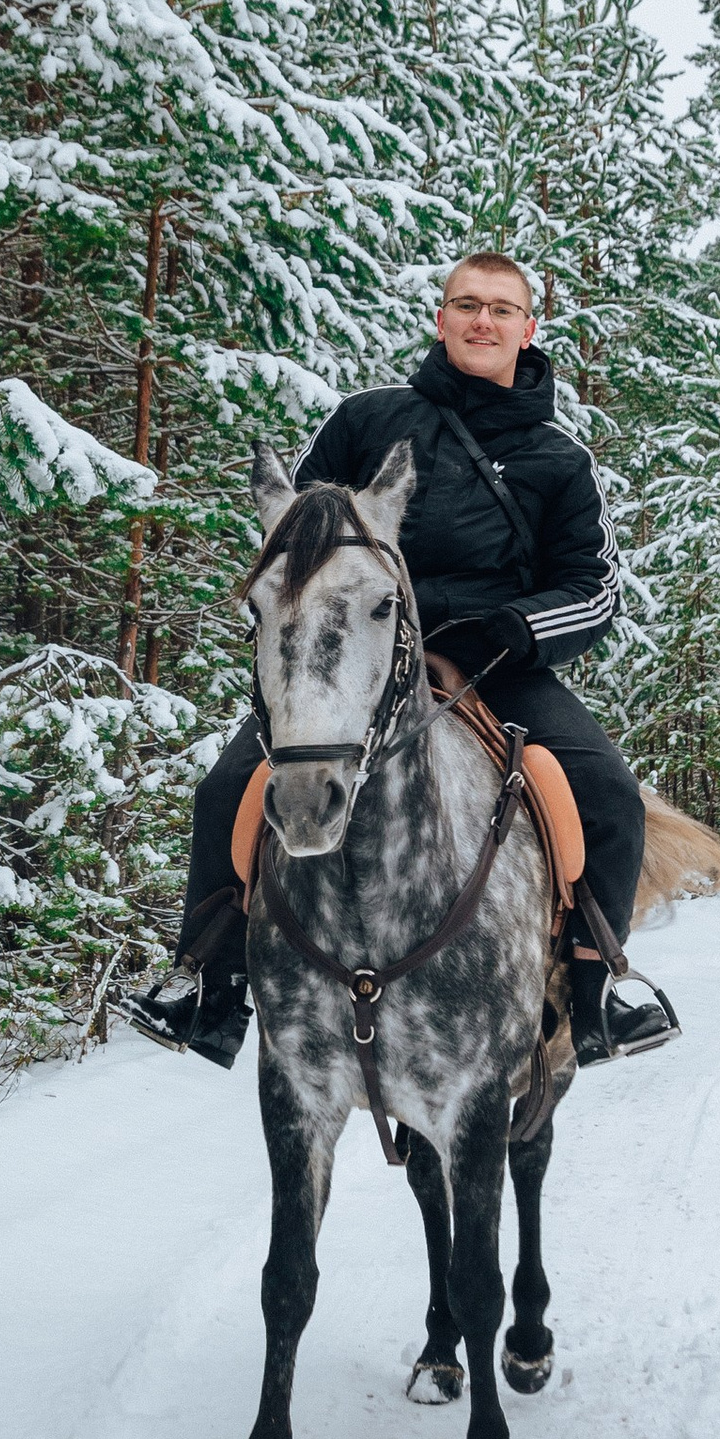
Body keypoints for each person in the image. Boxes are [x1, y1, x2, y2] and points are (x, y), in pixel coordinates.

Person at [124, 249, 678, 1070]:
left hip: (499, 664)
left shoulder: (559, 462)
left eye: (500, 309)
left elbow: (593, 589)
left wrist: (518, 629)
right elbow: (295, 544)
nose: (481, 321)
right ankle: (208, 986)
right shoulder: (365, 421)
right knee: (227, 789)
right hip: (354, 661)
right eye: (466, 304)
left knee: (605, 792)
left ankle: (599, 995)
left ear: (528, 330)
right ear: (441, 318)